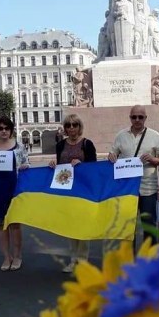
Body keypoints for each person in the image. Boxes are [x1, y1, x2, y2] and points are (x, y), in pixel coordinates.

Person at [108, 105, 159, 247]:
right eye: (134, 117)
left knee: (149, 225)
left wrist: (154, 160)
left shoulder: (155, 136)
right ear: (130, 118)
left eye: (141, 117)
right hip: (127, 189)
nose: (137, 119)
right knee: (128, 227)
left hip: (148, 188)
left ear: (146, 118)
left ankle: (151, 260)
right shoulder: (121, 135)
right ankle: (129, 260)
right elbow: (112, 153)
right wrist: (112, 156)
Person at [0, 116, 30, 271]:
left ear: (11, 130)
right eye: (0, 128)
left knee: (15, 225)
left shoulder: (19, 147)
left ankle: (17, 256)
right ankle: (6, 257)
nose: (4, 131)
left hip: (14, 189)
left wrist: (25, 166)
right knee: (0, 226)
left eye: (7, 128)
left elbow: (26, 163)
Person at [48, 114, 97, 273]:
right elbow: (60, 164)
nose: (71, 128)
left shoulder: (87, 144)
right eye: (68, 125)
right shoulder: (60, 144)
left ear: (79, 127)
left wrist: (82, 165)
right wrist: (53, 164)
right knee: (70, 226)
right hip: (66, 189)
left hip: (83, 190)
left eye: (74, 125)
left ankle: (83, 260)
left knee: (82, 226)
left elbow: (93, 168)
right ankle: (73, 259)